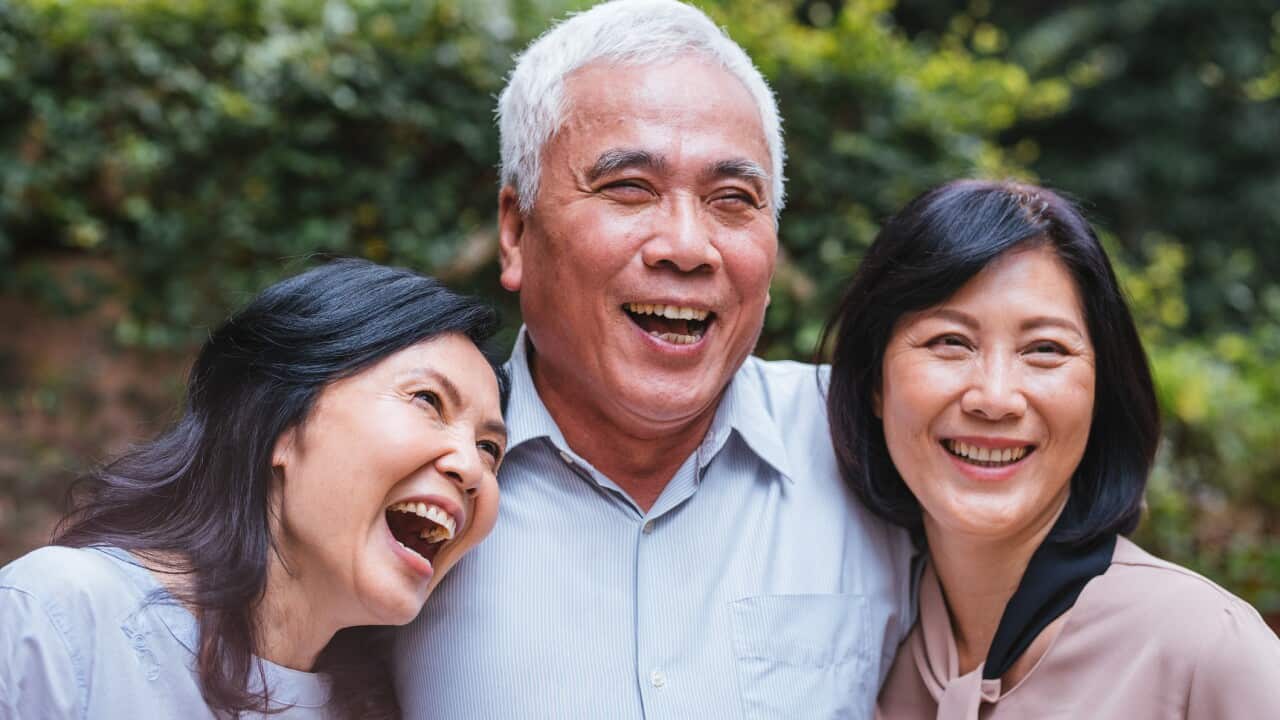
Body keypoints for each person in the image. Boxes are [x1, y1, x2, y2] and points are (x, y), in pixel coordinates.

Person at [393, 0, 914, 717]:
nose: (687, 246)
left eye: (733, 199)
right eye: (629, 188)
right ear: (515, 231)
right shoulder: (397, 472)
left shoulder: (875, 438)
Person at [823, 179, 1280, 719]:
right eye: (950, 342)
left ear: (1100, 390)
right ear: (875, 383)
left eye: (1045, 349)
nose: (994, 398)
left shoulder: (1207, 652)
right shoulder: (861, 642)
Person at [0, 259, 509, 719]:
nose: (471, 468)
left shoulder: (394, 704)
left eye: (490, 449)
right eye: (427, 399)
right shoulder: (54, 619)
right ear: (279, 422)